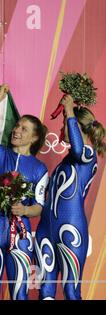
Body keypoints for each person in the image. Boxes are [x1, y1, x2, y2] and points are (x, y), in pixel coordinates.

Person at [0, 84, 49, 300]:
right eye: (17, 126)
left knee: (20, 294)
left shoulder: (39, 168)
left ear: (35, 138)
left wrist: (24, 210)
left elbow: (38, 207)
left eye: (24, 129)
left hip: (21, 234)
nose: (16, 130)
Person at [35, 95, 105, 300]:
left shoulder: (88, 155)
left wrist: (70, 113)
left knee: (71, 292)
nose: (60, 130)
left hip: (71, 231)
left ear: (77, 127)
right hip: (46, 231)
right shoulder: (65, 162)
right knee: (45, 291)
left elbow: (78, 149)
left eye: (64, 125)